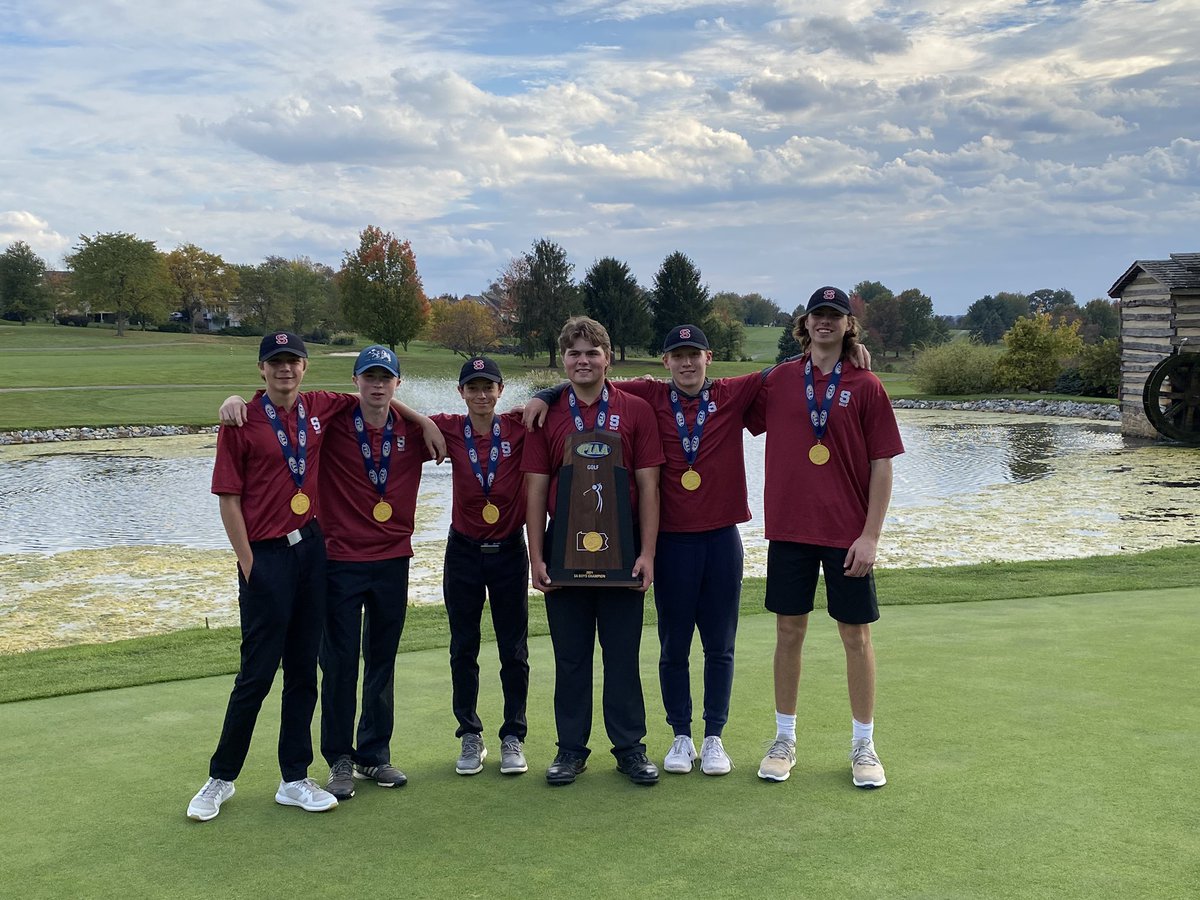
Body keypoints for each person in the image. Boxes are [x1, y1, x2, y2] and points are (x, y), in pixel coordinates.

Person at [524, 326, 872, 777]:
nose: (686, 364)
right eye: (677, 356)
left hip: (720, 538)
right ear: (665, 362)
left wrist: (846, 349)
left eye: (694, 356)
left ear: (709, 357)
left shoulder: (732, 392)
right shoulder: (648, 395)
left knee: (718, 647)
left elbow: (785, 369)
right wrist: (544, 392)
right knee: (671, 645)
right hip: (668, 541)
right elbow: (586, 380)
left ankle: (712, 738)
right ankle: (677, 735)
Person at [213, 346, 444, 804]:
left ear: (397, 383)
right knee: (334, 663)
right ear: (354, 382)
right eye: (368, 377)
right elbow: (242, 468)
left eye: (386, 378)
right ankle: (337, 757)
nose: (377, 385)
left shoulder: (412, 432)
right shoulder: (333, 419)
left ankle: (373, 753)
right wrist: (233, 399)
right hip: (335, 561)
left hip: (392, 559)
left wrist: (426, 420)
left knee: (379, 660)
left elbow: (495, 423)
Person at [188, 331, 360, 821]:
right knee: (257, 674)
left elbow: (378, 396)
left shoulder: (320, 407)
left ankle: (294, 777)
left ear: (305, 367)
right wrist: (248, 565)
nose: (286, 369)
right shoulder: (240, 420)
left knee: (304, 671)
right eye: (276, 362)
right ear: (262, 369)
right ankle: (220, 778)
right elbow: (228, 499)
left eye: (294, 361)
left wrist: (423, 425)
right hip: (265, 557)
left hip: (311, 551)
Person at [745, 287, 904, 788]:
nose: (826, 323)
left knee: (855, 637)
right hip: (790, 530)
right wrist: (553, 394)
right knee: (788, 634)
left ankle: (864, 745)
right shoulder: (778, 381)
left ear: (847, 325)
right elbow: (708, 398)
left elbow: (882, 467)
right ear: (805, 322)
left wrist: (871, 536)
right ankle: (784, 739)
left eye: (835, 316)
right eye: (819, 315)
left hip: (847, 535)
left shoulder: (867, 385)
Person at [522, 316, 665, 786]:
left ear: (607, 357)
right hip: (565, 555)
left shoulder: (637, 410)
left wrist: (647, 553)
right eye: (573, 353)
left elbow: (649, 487)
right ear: (564, 360)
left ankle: (629, 748)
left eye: (591, 352)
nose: (582, 361)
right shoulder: (547, 414)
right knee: (571, 657)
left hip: (622, 554)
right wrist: (535, 557)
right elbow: (536, 490)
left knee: (622, 655)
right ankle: (570, 749)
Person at [426, 357, 531, 777]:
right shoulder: (449, 427)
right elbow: (386, 407)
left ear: (501, 391)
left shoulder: (520, 426)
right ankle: (470, 734)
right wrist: (421, 419)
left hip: (509, 550)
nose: (481, 394)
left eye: (489, 386)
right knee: (463, 647)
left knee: (514, 649)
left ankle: (513, 736)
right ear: (461, 393)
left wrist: (542, 395)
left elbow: (568, 398)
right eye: (473, 387)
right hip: (463, 552)